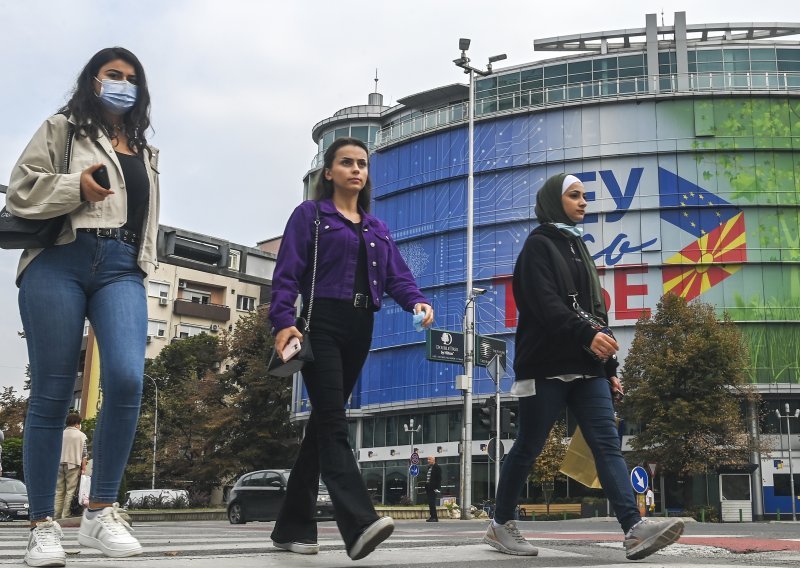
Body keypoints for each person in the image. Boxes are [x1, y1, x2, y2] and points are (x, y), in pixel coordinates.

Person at [7, 47, 160, 567]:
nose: (122, 83)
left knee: (126, 379)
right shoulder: (63, 127)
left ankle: (100, 512)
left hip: (120, 265)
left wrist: (144, 264)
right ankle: (42, 525)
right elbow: (22, 191)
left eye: (130, 78)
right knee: (52, 388)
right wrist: (77, 186)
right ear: (92, 81)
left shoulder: (144, 148)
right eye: (112, 75)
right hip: (59, 258)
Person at [483, 174, 683, 560]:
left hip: (588, 367)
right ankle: (500, 524)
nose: (583, 203)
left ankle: (634, 529)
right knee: (528, 446)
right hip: (545, 365)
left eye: (585, 197)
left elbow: (596, 311)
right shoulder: (537, 247)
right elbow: (543, 303)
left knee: (607, 444)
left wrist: (609, 367)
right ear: (554, 202)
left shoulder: (578, 247)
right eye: (575, 196)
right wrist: (584, 335)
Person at [269, 137, 434, 560]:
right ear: (329, 172)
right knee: (335, 422)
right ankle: (359, 522)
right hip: (319, 323)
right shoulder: (311, 215)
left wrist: (417, 300)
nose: (356, 170)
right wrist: (283, 321)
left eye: (362, 164)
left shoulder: (376, 227)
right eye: (346, 163)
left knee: (324, 424)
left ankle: (292, 527)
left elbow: (398, 275)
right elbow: (287, 271)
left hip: (361, 327)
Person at [53, 413, 88, 519]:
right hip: (73, 464)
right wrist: (83, 468)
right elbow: (84, 454)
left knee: (59, 491)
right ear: (77, 424)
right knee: (70, 490)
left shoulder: (60, 434)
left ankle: (56, 514)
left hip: (59, 463)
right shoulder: (81, 436)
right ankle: (66, 514)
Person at [425, 456, 442, 522]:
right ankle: (432, 516)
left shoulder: (437, 467)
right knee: (430, 503)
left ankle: (435, 517)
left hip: (433, 488)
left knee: (432, 502)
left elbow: (439, 479)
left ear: (433, 460)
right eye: (428, 459)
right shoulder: (430, 467)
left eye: (429, 459)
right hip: (429, 487)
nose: (428, 461)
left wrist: (436, 488)